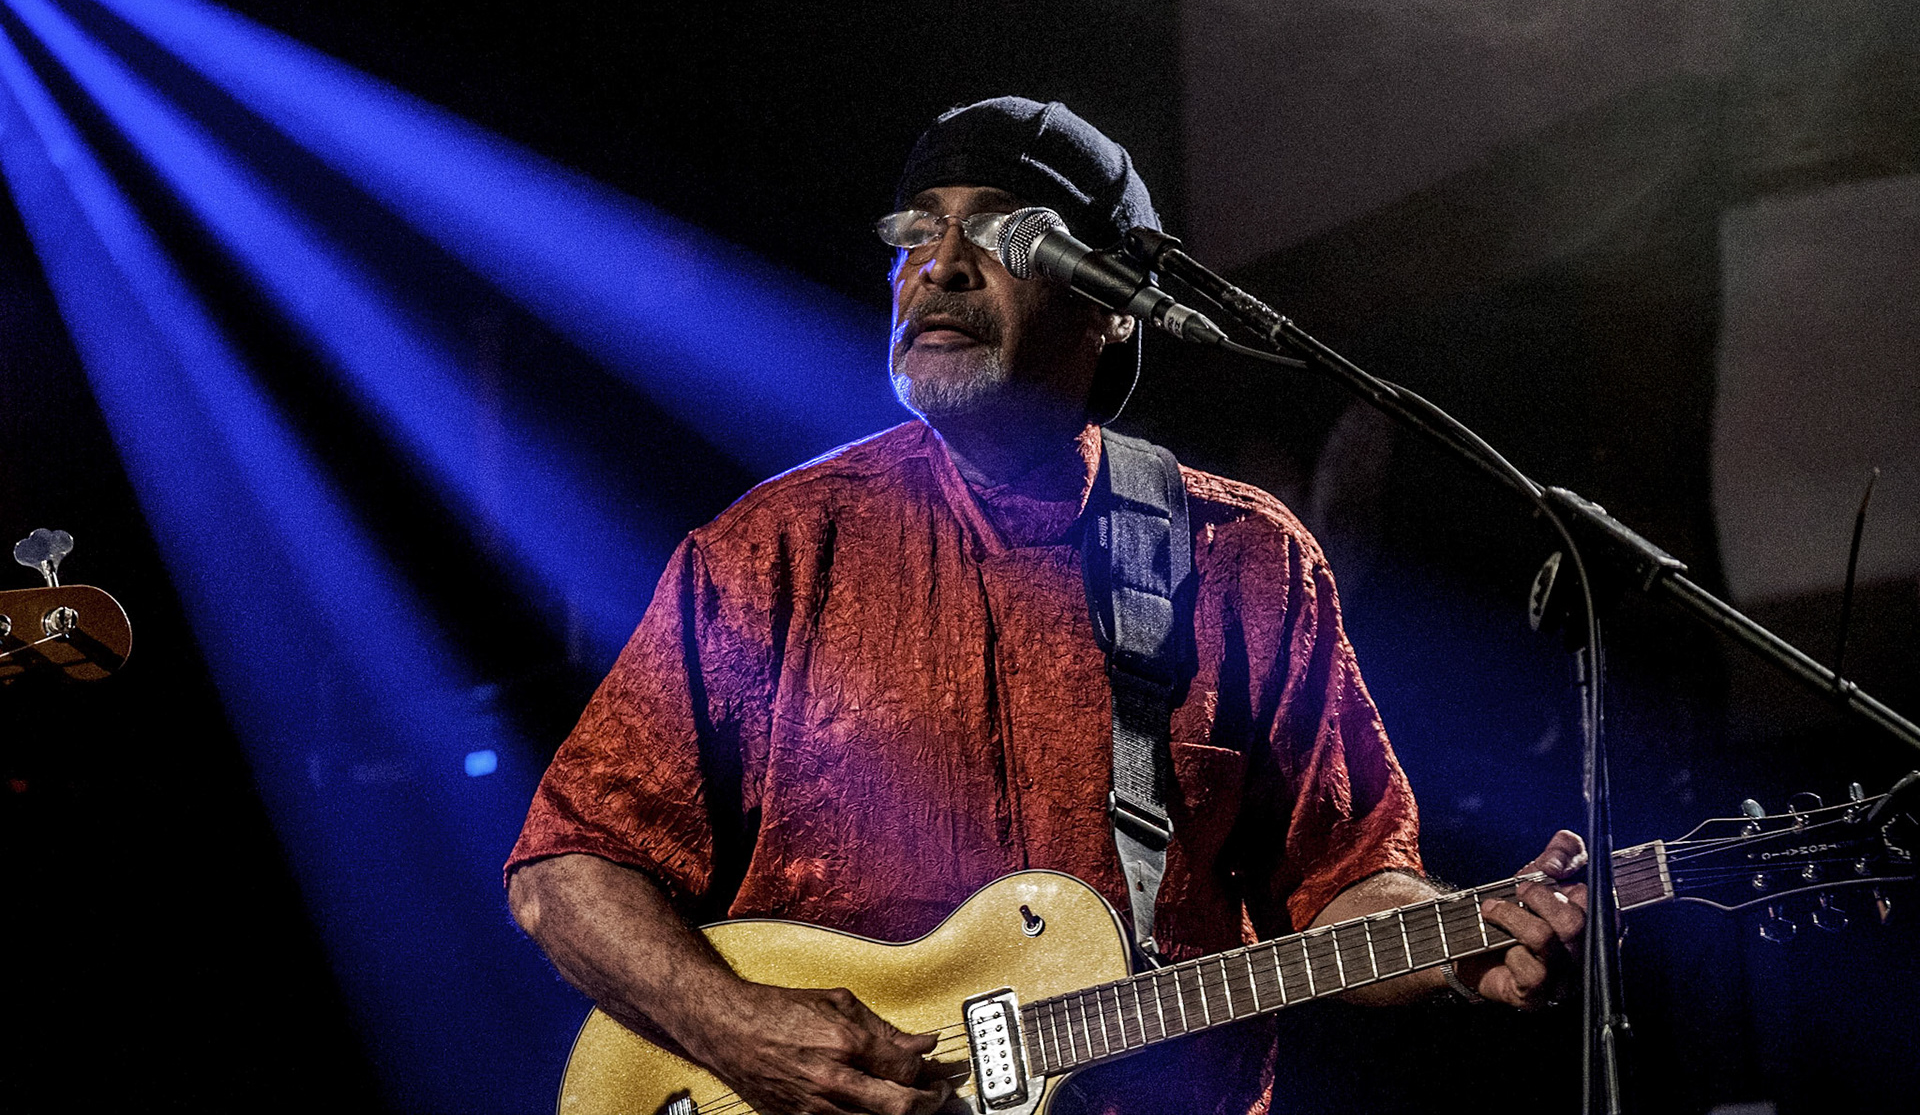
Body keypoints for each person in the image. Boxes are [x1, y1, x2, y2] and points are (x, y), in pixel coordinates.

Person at [506, 98, 1589, 1115]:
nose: (942, 266)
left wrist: (1458, 940)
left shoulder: (1242, 561)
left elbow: (1347, 880)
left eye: (1005, 237)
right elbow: (566, 871)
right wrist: (742, 1028)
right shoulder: (771, 553)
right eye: (917, 233)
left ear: (1113, 304)